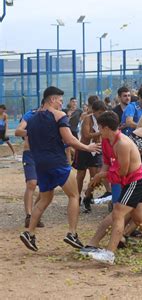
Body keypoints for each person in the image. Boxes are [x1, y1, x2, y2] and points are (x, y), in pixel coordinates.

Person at [81, 111, 142, 264]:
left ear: (105, 128)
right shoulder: (106, 141)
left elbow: (123, 171)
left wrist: (101, 176)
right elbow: (110, 164)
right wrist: (102, 175)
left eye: (100, 128)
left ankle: (109, 254)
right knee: (140, 220)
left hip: (136, 181)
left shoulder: (122, 143)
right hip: (128, 182)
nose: (98, 131)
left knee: (118, 214)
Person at [20, 86, 100, 252]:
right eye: (60, 100)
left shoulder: (32, 119)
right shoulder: (59, 116)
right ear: (52, 99)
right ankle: (72, 233)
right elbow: (70, 139)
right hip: (57, 162)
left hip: (40, 164)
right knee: (73, 195)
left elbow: (27, 137)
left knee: (44, 199)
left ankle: (29, 233)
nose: (61, 104)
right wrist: (88, 147)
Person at [15, 106, 44, 228]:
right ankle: (28, 215)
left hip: (45, 155)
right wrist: (31, 131)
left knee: (45, 188)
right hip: (30, 153)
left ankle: (35, 214)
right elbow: (18, 131)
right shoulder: (30, 115)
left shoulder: (55, 116)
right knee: (31, 183)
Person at [75, 100, 107, 209]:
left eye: (103, 113)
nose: (101, 115)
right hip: (85, 148)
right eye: (99, 113)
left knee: (95, 175)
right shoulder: (88, 119)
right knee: (81, 174)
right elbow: (86, 134)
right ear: (94, 111)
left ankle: (88, 196)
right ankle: (76, 197)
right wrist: (101, 133)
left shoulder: (103, 121)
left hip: (96, 149)